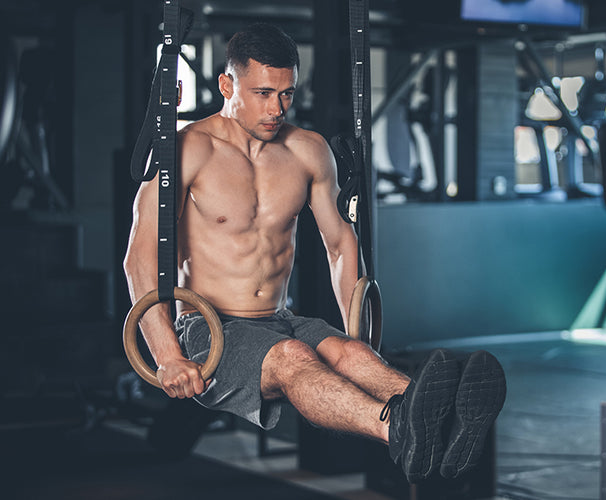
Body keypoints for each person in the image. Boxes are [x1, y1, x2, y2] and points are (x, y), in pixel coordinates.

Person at [123, 22, 506, 483]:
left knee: (351, 356)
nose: (276, 108)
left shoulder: (307, 150)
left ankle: (446, 423)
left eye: (286, 94)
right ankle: (400, 430)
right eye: (263, 92)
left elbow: (341, 243)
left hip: (279, 317)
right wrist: (167, 355)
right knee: (292, 358)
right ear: (227, 85)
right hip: (210, 329)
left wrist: (358, 328)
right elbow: (140, 257)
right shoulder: (186, 150)